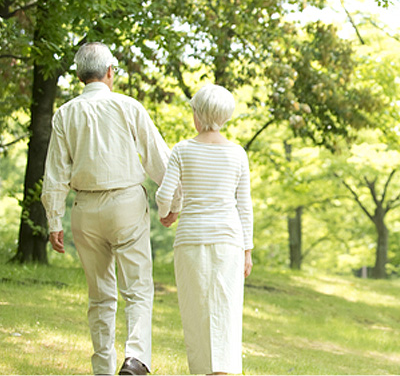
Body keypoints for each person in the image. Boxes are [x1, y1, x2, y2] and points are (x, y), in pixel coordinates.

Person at [42, 42, 180, 375]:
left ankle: (103, 367)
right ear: (109, 71)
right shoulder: (128, 106)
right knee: (137, 288)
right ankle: (135, 359)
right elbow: (158, 159)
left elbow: (56, 172)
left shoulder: (65, 113)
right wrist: (172, 203)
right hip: (126, 204)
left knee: (100, 294)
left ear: (79, 76)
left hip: (85, 207)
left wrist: (53, 220)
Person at [156, 84, 254, 375]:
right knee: (226, 311)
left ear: (197, 114)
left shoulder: (182, 150)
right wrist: (247, 250)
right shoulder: (237, 154)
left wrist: (167, 214)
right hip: (228, 241)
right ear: (225, 116)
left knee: (195, 310)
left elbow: (164, 195)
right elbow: (244, 206)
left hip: (190, 238)